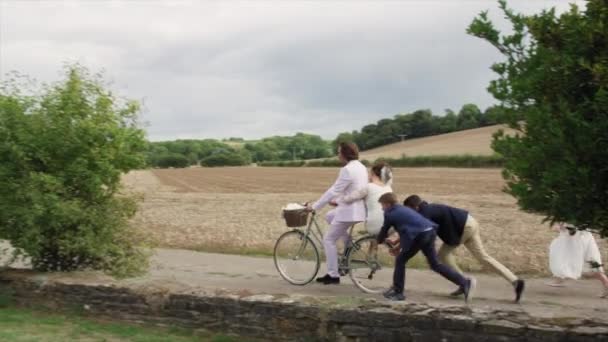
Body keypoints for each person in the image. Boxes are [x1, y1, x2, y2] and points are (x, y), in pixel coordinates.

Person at [403, 195, 525, 303]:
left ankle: (464, 282)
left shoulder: (425, 212)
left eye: (409, 211)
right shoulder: (430, 208)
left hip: (463, 228)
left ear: (415, 207)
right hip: (470, 222)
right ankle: (515, 281)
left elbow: (422, 232)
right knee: (483, 257)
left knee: (443, 255)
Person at [376, 192, 475, 302]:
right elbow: (407, 229)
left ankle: (398, 292)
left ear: (388, 204)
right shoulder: (402, 209)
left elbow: (384, 230)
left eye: (382, 205)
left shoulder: (390, 213)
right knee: (435, 264)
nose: (382, 208)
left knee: (400, 260)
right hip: (430, 231)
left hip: (420, 236)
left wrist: (378, 240)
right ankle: (465, 282)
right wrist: (397, 246)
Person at [306, 142, 368, 285]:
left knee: (328, 240)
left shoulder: (347, 169)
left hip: (349, 212)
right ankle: (349, 245)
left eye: (339, 152)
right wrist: (338, 201)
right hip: (358, 210)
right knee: (330, 216)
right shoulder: (362, 167)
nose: (338, 154)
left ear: (345, 154)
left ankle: (333, 275)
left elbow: (334, 190)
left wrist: (315, 206)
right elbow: (355, 189)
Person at [548, 223, 608, 298]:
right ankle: (560, 279)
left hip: (574, 239)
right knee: (590, 261)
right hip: (585, 237)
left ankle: (560, 278)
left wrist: (562, 227)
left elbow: (570, 229)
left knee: (561, 255)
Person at [337, 161, 393, 235]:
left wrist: (338, 200)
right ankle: (373, 244)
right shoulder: (389, 188)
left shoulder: (368, 187)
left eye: (369, 173)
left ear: (373, 173)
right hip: (391, 225)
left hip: (375, 226)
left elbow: (349, 198)